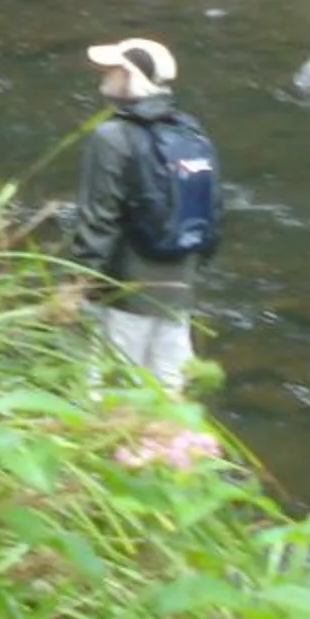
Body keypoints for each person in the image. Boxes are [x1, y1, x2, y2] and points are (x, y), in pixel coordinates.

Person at [70, 36, 219, 394]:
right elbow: (213, 211)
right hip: (179, 286)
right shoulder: (193, 133)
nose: (105, 75)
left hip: (125, 288)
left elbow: (97, 221)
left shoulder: (112, 137)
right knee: (169, 388)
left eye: (113, 68)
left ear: (130, 76)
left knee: (110, 389)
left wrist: (76, 285)